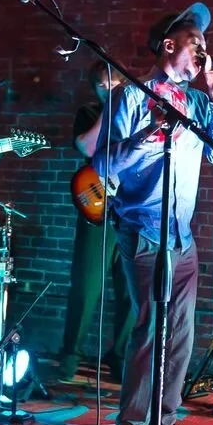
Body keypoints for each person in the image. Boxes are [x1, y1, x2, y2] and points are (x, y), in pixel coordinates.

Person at [92, 3, 213, 425]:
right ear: (170, 45)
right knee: (152, 332)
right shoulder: (131, 97)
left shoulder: (198, 103)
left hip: (182, 237)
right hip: (143, 231)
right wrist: (147, 137)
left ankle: (164, 424)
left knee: (182, 337)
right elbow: (104, 166)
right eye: (197, 44)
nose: (205, 53)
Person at [50, 62, 136, 383]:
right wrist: (110, 109)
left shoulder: (139, 113)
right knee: (85, 287)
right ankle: (70, 355)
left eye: (113, 84)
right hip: (96, 207)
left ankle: (120, 356)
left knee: (129, 290)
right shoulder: (89, 113)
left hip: (130, 209)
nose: (107, 89)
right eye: (101, 85)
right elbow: (85, 145)